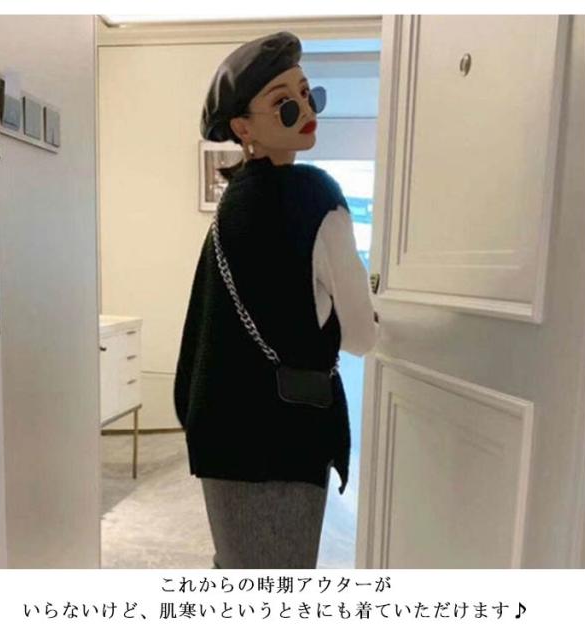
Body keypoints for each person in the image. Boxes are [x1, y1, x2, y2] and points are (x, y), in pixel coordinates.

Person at [173, 31, 378, 569]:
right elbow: (362, 337)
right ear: (242, 127)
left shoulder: (231, 204)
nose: (305, 110)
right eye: (284, 101)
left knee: (236, 562)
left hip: (219, 431)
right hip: (287, 436)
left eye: (308, 95)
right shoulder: (318, 198)